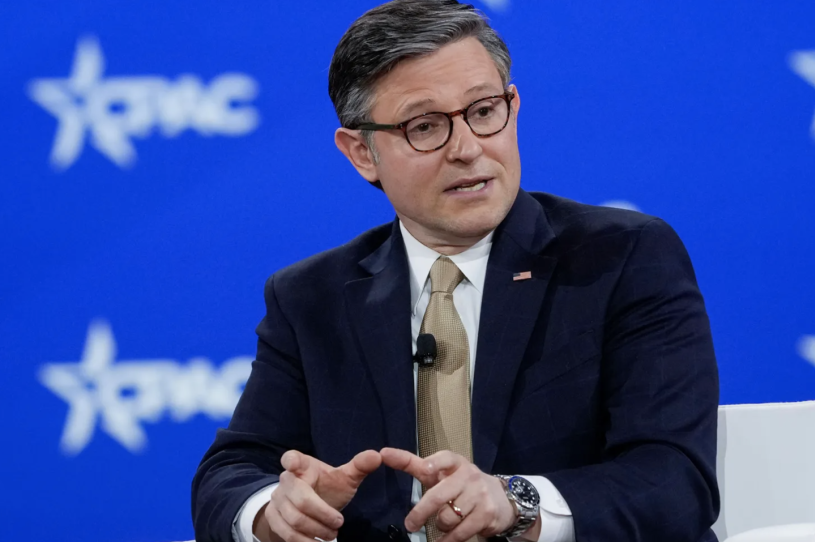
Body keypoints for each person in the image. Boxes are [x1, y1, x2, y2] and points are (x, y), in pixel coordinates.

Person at [191, 1, 720, 541]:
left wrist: (517, 503)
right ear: (362, 154)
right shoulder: (310, 298)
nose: (468, 149)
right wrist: (271, 511)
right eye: (425, 126)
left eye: (484, 111)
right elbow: (230, 472)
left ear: (513, 106)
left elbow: (675, 481)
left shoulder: (621, 258)